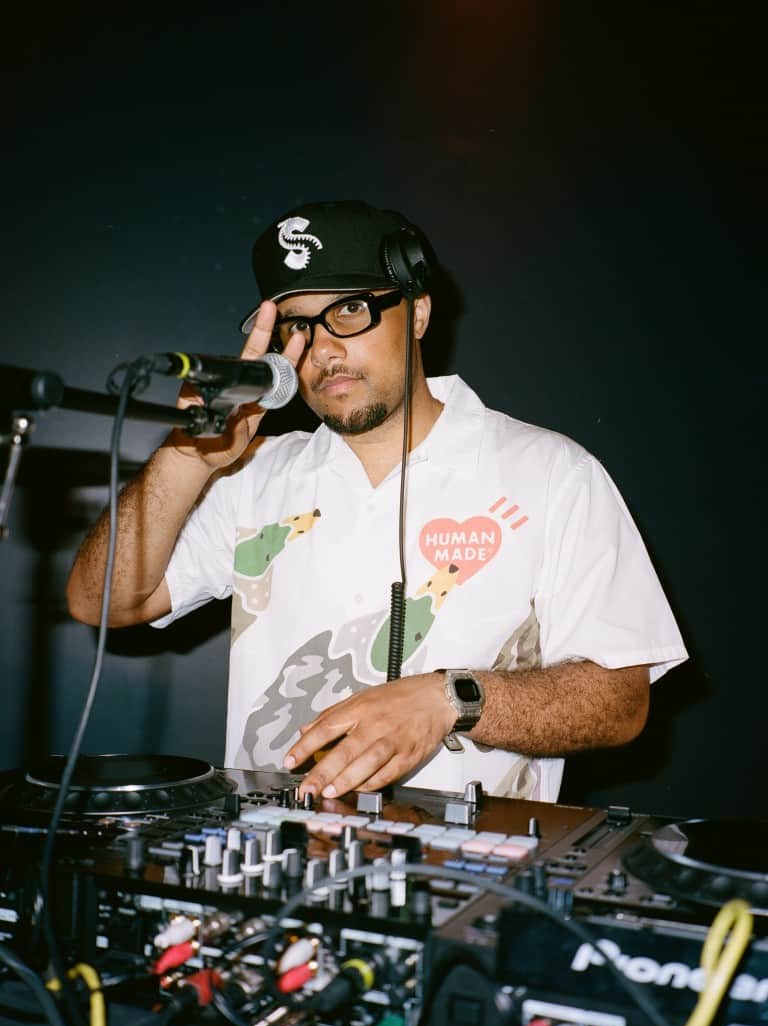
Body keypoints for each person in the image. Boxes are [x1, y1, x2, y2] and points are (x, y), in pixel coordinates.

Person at [66, 200, 687, 804]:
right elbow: (101, 601)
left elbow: (621, 701)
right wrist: (187, 456)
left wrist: (450, 700)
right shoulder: (251, 479)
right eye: (297, 325)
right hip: (271, 873)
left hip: (472, 885)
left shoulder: (554, 474)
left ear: (417, 312)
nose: (324, 349)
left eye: (351, 309)